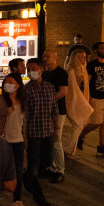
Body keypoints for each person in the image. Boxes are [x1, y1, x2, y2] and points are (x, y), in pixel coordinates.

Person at [0, 73, 28, 206]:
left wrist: (26, 140)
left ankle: (17, 201)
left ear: (18, 85)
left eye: (10, 82)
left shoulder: (23, 101)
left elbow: (24, 123)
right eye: (5, 82)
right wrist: (3, 112)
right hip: (1, 140)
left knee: (18, 171)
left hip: (18, 140)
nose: (7, 84)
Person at [22, 58, 57, 206]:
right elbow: (25, 115)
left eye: (33, 68)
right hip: (33, 133)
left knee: (46, 162)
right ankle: (38, 194)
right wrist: (25, 137)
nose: (31, 72)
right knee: (34, 164)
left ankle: (26, 176)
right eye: (28, 69)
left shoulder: (50, 87)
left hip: (48, 132)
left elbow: (54, 109)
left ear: (42, 69)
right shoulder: (26, 90)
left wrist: (55, 129)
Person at [41, 50, 68, 182]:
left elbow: (63, 91)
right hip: (47, 111)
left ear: (55, 57)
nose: (45, 58)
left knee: (56, 140)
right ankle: (51, 166)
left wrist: (48, 101)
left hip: (58, 111)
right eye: (44, 56)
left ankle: (60, 170)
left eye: (48, 56)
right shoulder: (45, 73)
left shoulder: (61, 73)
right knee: (48, 139)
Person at [63, 47, 93, 158]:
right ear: (76, 58)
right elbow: (73, 89)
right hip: (73, 102)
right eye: (82, 57)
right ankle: (70, 150)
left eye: (85, 57)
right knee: (78, 125)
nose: (84, 59)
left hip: (81, 101)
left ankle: (71, 150)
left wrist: (88, 100)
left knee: (78, 125)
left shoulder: (82, 69)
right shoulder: (71, 71)